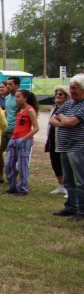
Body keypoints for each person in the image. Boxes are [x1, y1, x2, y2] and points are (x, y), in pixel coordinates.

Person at [49, 74, 84, 220]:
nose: (72, 91)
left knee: (80, 181)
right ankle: (71, 206)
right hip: (64, 147)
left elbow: (70, 123)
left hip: (77, 147)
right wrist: (63, 120)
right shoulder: (69, 104)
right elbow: (52, 119)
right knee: (68, 180)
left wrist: (62, 118)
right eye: (71, 88)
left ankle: (82, 211)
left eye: (75, 88)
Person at [4, 90, 39, 196]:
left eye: (18, 97)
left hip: (24, 140)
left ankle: (23, 189)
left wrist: (24, 139)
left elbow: (36, 128)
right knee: (9, 164)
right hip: (14, 139)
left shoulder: (30, 110)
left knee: (22, 166)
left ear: (25, 98)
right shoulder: (19, 110)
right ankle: (12, 186)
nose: (16, 99)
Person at [46, 87, 71, 195]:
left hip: (64, 140)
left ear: (66, 96)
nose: (57, 95)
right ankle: (61, 186)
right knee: (55, 162)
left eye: (60, 94)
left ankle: (69, 188)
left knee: (66, 164)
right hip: (52, 139)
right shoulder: (55, 107)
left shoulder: (68, 108)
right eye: (56, 93)